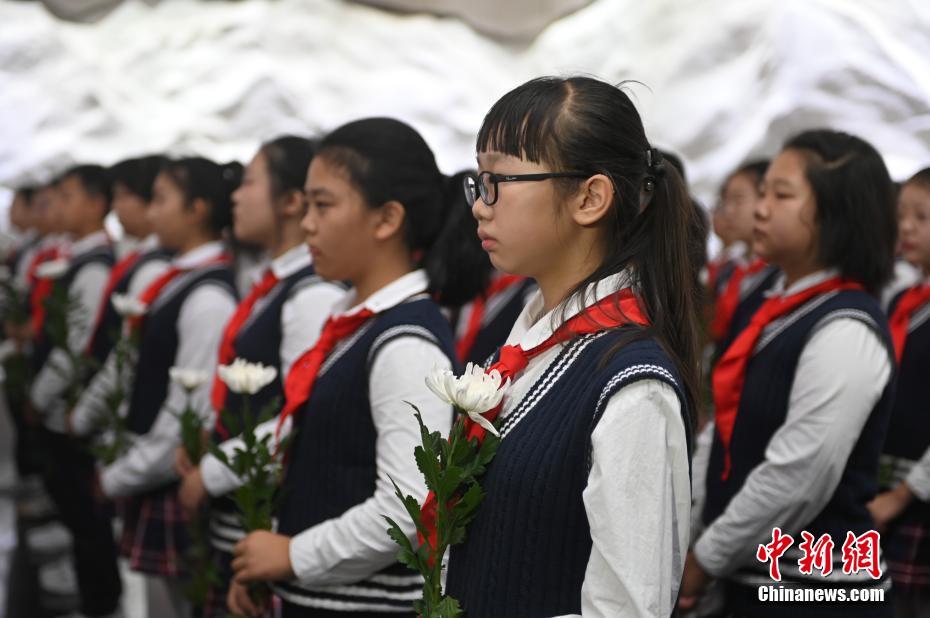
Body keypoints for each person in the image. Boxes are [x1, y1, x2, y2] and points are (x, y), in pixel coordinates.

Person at [444, 75, 700, 617]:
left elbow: (624, 610)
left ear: (590, 197)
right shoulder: (522, 350)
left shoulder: (633, 386)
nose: (479, 206)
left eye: (500, 180)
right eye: (478, 180)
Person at [683, 130, 898, 617]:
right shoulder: (775, 309)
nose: (761, 209)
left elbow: (801, 473)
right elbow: (724, 430)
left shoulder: (845, 326)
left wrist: (707, 557)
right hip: (752, 576)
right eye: (763, 193)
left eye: (781, 195)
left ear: (837, 213)